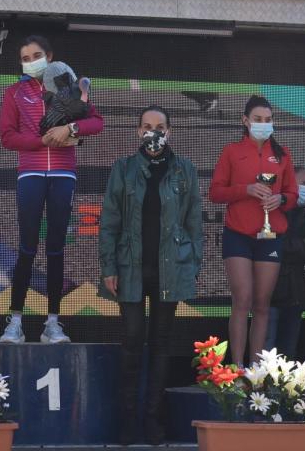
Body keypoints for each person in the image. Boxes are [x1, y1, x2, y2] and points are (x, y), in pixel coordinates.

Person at [98, 106, 203, 446]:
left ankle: (153, 422)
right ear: (137, 131)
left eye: (159, 127)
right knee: (131, 342)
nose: (153, 132)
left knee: (160, 346)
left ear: (169, 131)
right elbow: (109, 222)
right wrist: (109, 267)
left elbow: (194, 223)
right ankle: (128, 423)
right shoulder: (123, 168)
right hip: (131, 268)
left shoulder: (184, 169)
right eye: (147, 126)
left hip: (169, 270)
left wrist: (193, 265)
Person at [0, 35, 104, 344]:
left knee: (56, 247)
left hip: (63, 174)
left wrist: (70, 128)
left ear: (50, 56)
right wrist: (41, 141)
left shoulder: (70, 87)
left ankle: (52, 324)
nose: (32, 61)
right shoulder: (15, 93)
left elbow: (96, 123)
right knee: (27, 248)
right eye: (26, 57)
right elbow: (7, 137)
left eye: (37, 55)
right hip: (30, 173)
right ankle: (14, 322)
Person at [210, 95, 297, 365]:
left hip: (270, 235)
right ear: (245, 120)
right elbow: (215, 192)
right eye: (257, 119)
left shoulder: (282, 154)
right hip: (238, 234)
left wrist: (280, 199)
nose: (263, 124)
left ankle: (256, 370)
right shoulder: (232, 151)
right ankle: (236, 367)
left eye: (268, 120)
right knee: (243, 298)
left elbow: (293, 194)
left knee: (262, 303)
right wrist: (245, 190)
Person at [266, 166, 305, 359]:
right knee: (266, 351)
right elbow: (274, 248)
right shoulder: (271, 209)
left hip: (296, 295)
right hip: (271, 293)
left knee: (288, 353)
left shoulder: (302, 214)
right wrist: (300, 244)